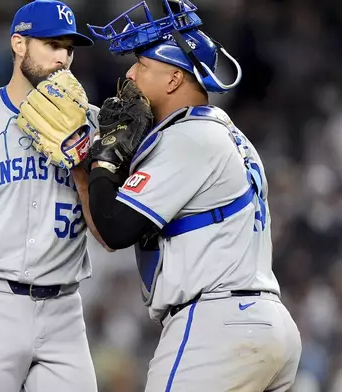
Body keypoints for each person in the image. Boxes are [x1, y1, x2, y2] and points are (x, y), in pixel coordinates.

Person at [85, 1, 302, 391]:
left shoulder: (187, 137)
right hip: (266, 323)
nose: (130, 74)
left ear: (173, 78)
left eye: (142, 64)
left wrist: (102, 160)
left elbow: (116, 229)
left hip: (217, 327)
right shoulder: (229, 135)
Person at [0, 1, 108, 391]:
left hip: (65, 309)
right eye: (51, 44)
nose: (63, 58)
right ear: (19, 44)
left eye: (69, 48)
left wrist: (81, 164)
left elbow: (108, 236)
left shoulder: (94, 127)